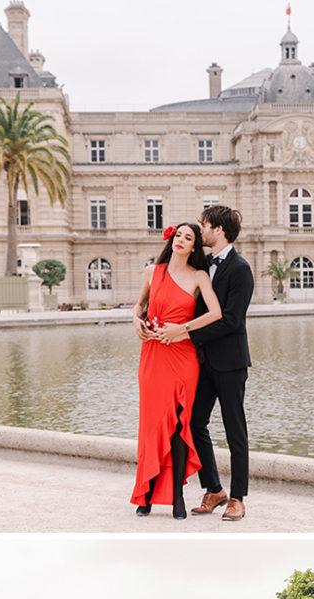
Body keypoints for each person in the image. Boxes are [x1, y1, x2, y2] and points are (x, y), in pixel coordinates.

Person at [160, 205, 254, 521]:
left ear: (219, 230)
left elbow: (231, 321)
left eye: (204, 226)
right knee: (195, 423)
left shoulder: (240, 269)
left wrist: (185, 334)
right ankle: (214, 488)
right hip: (201, 363)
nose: (200, 231)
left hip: (230, 363)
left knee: (235, 429)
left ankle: (238, 498)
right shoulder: (203, 265)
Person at [131, 223, 222, 518]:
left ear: (195, 246)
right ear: (170, 240)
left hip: (183, 356)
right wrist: (136, 322)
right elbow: (139, 306)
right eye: (178, 235)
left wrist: (182, 328)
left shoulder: (198, 276)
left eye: (188, 237)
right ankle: (145, 493)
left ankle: (177, 497)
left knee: (179, 426)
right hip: (153, 354)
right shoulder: (151, 272)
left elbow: (215, 313)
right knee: (152, 425)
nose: (181, 240)